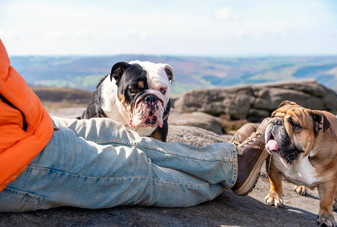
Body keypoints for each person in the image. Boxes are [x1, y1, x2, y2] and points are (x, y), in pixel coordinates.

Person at [0, 39, 268, 212]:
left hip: (26, 126)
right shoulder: (107, 94)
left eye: (162, 92)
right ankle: (225, 176)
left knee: (110, 132)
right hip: (12, 162)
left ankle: (227, 163)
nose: (152, 100)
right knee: (134, 169)